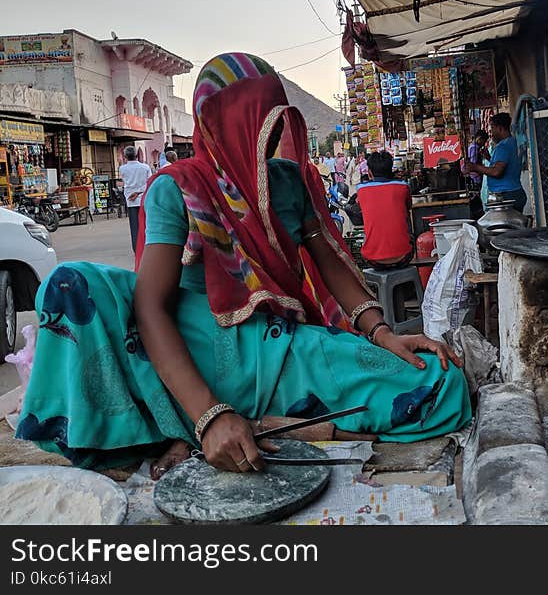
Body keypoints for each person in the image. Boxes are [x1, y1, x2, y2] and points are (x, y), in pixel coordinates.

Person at [16, 52, 470, 478]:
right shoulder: (177, 188)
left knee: (443, 389)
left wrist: (382, 333)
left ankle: (259, 423)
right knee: (68, 284)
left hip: (282, 350)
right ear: (221, 123)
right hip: (199, 362)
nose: (269, 138)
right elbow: (149, 308)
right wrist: (210, 415)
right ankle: (211, 423)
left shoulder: (290, 183)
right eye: (256, 123)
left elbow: (331, 267)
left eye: (275, 124)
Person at [357, 150, 414, 269]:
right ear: (391, 170)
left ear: (370, 172)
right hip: (404, 257)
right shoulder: (403, 186)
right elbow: (408, 207)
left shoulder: (361, 190)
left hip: (373, 260)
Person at [462, 113, 526, 212]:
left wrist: (475, 167)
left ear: (500, 128)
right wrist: (488, 158)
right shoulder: (512, 142)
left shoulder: (503, 147)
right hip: (514, 192)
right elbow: (504, 164)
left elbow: (497, 171)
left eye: (492, 129)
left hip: (507, 195)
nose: (491, 133)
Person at [118, 145, 152, 252]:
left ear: (125, 157)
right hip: (143, 198)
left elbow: (124, 180)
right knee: (146, 224)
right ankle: (148, 246)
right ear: (136, 155)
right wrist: (139, 192)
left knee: (134, 227)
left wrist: (135, 192)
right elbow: (150, 182)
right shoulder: (145, 167)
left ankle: (137, 249)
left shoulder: (122, 168)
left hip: (131, 200)